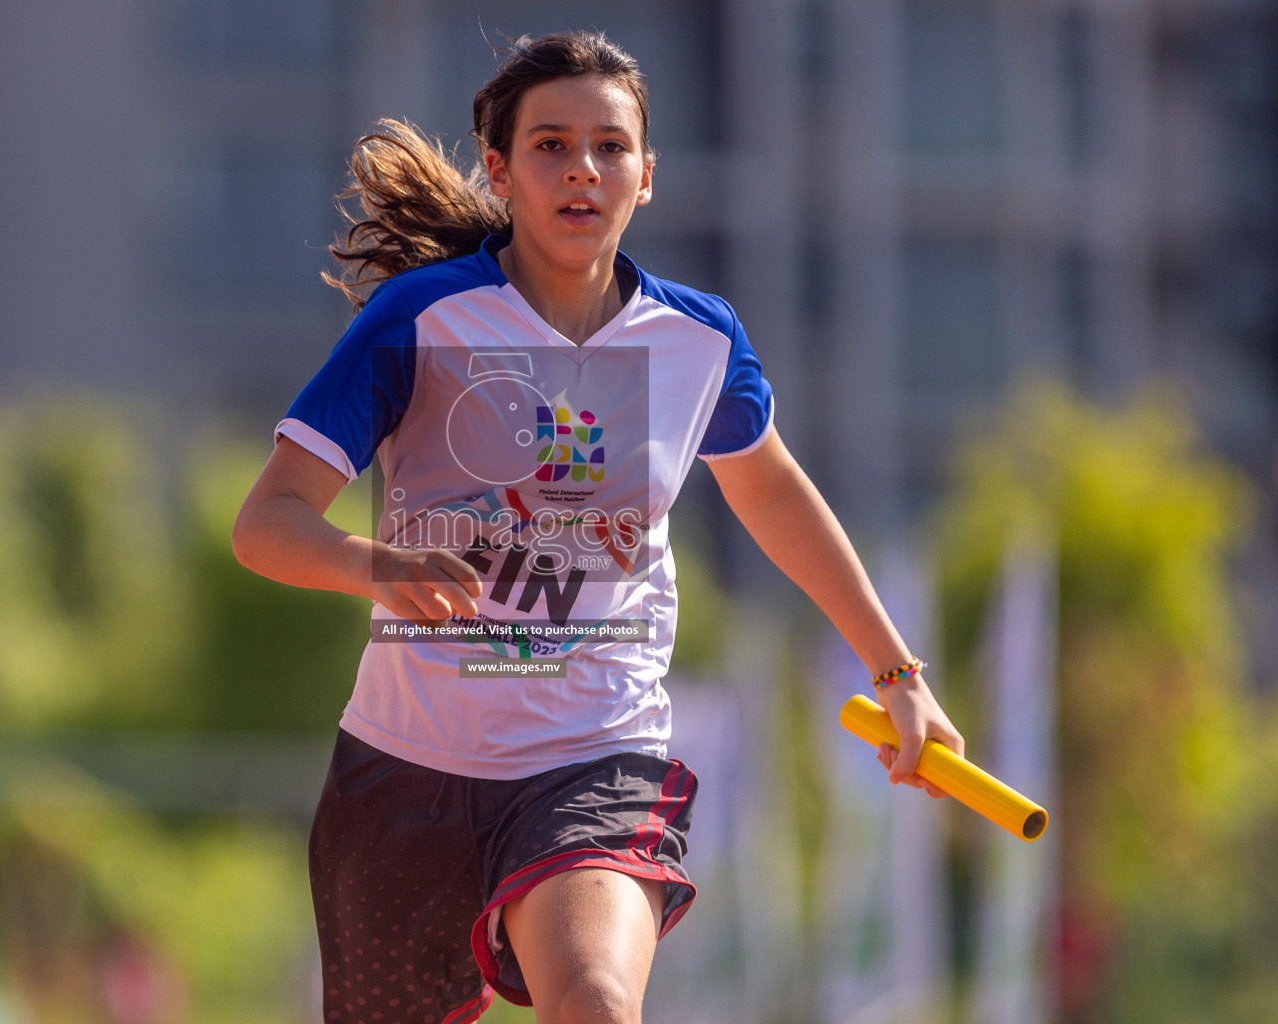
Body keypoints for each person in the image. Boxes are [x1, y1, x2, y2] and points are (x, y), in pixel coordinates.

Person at [232, 30, 964, 1024]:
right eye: (550, 146)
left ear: (648, 175)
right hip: (404, 772)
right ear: (499, 167)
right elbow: (267, 524)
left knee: (596, 1002)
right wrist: (379, 564)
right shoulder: (423, 320)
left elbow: (778, 497)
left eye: (610, 146)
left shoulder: (699, 342)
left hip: (594, 754)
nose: (583, 169)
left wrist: (899, 675)